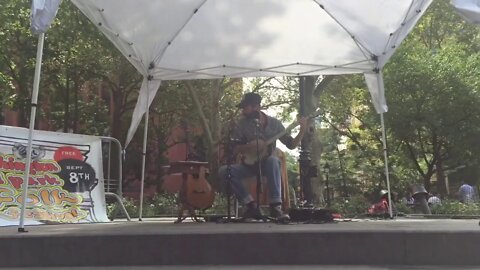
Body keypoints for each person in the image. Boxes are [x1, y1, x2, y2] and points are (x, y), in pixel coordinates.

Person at [218, 92, 307, 221]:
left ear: (256, 107)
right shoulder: (241, 124)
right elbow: (234, 148)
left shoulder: (274, 124)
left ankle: (276, 206)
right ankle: (250, 205)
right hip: (248, 165)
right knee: (224, 171)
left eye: (245, 107)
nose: (243, 110)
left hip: (267, 165)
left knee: (273, 160)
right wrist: (249, 146)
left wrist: (302, 129)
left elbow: (291, 145)